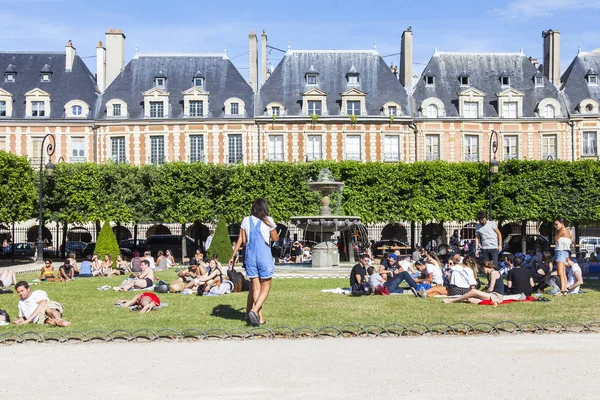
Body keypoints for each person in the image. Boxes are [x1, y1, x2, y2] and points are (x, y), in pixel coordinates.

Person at [229, 198, 279, 327]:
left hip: (250, 256)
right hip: (264, 255)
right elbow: (275, 238)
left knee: (255, 287)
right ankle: (254, 310)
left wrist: (233, 255)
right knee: (266, 287)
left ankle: (259, 318)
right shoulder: (268, 220)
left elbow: (243, 239)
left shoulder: (246, 220)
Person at [553, 218, 573, 296]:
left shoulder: (563, 229)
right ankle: (564, 290)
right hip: (565, 252)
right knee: (563, 273)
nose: (555, 226)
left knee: (560, 273)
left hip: (560, 252)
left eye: (556, 224)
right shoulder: (568, 231)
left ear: (562, 223)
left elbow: (555, 238)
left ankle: (562, 290)